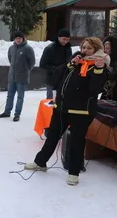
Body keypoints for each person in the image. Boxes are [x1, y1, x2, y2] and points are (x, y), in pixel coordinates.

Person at [24, 37, 110, 186]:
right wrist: (70, 64)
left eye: (89, 48)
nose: (85, 51)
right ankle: (40, 162)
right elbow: (56, 77)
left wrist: (98, 69)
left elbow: (95, 89)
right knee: (52, 137)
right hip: (62, 108)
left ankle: (73, 172)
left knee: (76, 142)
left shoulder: (99, 65)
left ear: (96, 49)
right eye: (83, 47)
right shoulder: (77, 62)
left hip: (81, 112)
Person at [0, 31, 36, 122]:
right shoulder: (11, 48)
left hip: (22, 77)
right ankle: (7, 112)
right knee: (10, 95)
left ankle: (17, 114)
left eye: (20, 38)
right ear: (14, 39)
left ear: (23, 39)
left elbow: (32, 62)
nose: (18, 40)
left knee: (20, 97)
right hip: (12, 76)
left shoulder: (28, 48)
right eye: (16, 38)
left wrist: (25, 70)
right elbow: (10, 59)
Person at [39, 28, 72, 100]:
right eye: (64, 39)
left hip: (64, 79)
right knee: (51, 101)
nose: (65, 41)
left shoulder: (68, 48)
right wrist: (54, 69)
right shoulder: (49, 49)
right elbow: (42, 64)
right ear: (59, 38)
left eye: (67, 39)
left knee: (62, 100)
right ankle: (50, 111)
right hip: (52, 79)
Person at [102, 35, 117, 100]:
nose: (105, 50)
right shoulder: (105, 58)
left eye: (108, 48)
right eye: (105, 48)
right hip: (106, 89)